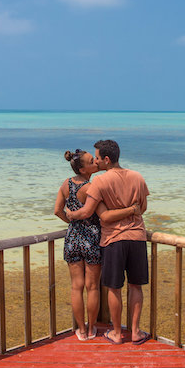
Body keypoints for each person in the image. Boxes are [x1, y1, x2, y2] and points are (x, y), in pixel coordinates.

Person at [64, 139, 150, 345]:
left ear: (107, 159)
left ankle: (117, 333)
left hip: (113, 240)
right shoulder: (138, 177)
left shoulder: (100, 182)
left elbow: (89, 212)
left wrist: (69, 214)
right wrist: (130, 212)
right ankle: (136, 332)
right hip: (137, 237)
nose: (95, 161)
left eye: (97, 158)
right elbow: (143, 208)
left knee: (114, 288)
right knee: (136, 286)